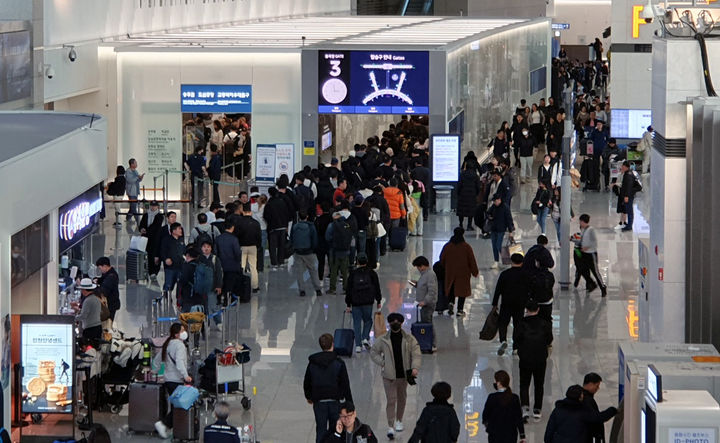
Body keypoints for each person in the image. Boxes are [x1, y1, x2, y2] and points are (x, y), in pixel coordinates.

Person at [370, 313, 422, 440]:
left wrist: (415, 367)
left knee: (402, 398)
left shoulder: (409, 339)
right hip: (389, 376)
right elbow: (373, 352)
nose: (395, 323)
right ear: (389, 323)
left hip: (403, 375)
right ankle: (390, 425)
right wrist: (383, 363)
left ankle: (399, 419)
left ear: (402, 323)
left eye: (397, 321)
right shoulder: (383, 339)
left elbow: (416, 353)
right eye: (392, 321)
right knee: (391, 400)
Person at [304, 333, 354, 443]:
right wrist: (349, 403)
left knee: (321, 430)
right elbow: (345, 384)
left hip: (319, 402)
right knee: (336, 430)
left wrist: (309, 396)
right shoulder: (339, 363)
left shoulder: (313, 363)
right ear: (333, 344)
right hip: (335, 402)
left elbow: (307, 382)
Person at [516, 300, 553, 423]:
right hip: (540, 358)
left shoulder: (521, 323)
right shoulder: (545, 323)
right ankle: (537, 409)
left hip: (525, 357)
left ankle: (525, 408)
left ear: (526, 310)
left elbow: (516, 339)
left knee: (524, 383)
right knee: (539, 384)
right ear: (538, 310)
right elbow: (549, 339)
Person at [154, 323, 191, 439]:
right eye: (182, 330)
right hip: (176, 380)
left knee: (175, 405)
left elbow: (156, 361)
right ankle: (163, 424)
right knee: (179, 406)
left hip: (167, 380)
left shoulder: (168, 344)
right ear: (177, 334)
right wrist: (186, 376)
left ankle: (166, 426)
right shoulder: (179, 346)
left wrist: (157, 372)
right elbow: (179, 362)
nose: (185, 332)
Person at [544, 385, 614, 443]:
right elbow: (599, 417)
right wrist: (612, 410)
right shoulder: (583, 412)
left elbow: (549, 432)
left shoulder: (557, 410)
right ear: (580, 397)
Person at [492, 253, 529, 356]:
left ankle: (503, 340)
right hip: (520, 304)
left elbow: (498, 290)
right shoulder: (525, 275)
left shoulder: (505, 274)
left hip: (506, 303)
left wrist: (495, 303)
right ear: (522, 262)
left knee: (503, 323)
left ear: (511, 262)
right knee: (518, 325)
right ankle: (516, 348)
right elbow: (529, 290)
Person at [345, 255, 382, 352]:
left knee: (356, 323)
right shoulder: (372, 273)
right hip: (368, 301)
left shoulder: (353, 274)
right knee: (368, 321)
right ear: (367, 261)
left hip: (355, 302)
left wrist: (348, 304)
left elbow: (348, 290)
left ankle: (358, 346)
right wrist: (378, 300)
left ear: (357, 262)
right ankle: (365, 337)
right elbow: (377, 287)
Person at [439, 227, 479, 317]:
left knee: (451, 288)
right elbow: (472, 260)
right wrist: (475, 272)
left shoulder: (447, 246)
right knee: (462, 291)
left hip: (450, 271)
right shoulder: (466, 247)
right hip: (463, 272)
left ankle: (451, 303)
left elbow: (442, 259)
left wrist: (446, 267)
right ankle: (460, 310)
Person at [482, 370, 526, 443]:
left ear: (498, 383)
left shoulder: (492, 397)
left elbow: (485, 416)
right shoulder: (514, 398)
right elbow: (518, 418)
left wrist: (489, 427)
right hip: (511, 435)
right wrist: (522, 435)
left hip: (494, 435)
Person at [291, 211, 324, 297]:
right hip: (308, 252)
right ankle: (317, 289)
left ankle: (302, 290)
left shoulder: (295, 227)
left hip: (298, 252)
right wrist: (313, 249)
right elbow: (314, 239)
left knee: (299, 272)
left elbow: (291, 238)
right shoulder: (311, 226)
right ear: (307, 216)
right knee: (313, 270)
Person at [573, 214, 607, 296]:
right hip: (584, 254)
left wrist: (587, 247)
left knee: (595, 271)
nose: (579, 223)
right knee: (584, 269)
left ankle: (602, 287)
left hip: (591, 254)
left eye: (580, 221)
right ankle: (590, 284)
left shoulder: (591, 230)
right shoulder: (583, 229)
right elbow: (581, 239)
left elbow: (594, 242)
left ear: (583, 221)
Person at [325, 202, 355, 295]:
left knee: (333, 270)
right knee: (345, 271)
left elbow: (327, 237)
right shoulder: (347, 225)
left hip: (335, 251)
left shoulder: (332, 225)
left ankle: (332, 289)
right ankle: (346, 288)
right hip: (345, 250)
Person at [410, 256, 438, 352]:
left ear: (422, 266)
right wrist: (416, 284)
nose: (418, 269)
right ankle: (427, 342)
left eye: (418, 267)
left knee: (428, 323)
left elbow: (432, 291)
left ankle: (432, 343)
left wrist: (425, 301)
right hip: (423, 304)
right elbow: (424, 286)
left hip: (427, 305)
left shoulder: (430, 275)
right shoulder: (425, 274)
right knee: (426, 322)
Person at [581, 373, 618, 443]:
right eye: (596, 386)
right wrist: (611, 411)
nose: (598, 389)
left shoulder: (584, 397)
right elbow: (596, 418)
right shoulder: (587, 400)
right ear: (590, 384)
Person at [235, 203, 262, 292]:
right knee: (253, 267)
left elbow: (236, 235)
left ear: (243, 211)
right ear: (250, 212)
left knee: (241, 266)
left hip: (242, 247)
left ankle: (240, 284)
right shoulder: (256, 223)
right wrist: (258, 246)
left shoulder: (239, 222)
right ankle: (255, 286)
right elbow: (259, 236)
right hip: (253, 247)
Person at [215, 221, 243, 303]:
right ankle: (228, 299)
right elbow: (237, 252)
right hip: (232, 265)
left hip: (221, 264)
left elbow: (215, 252)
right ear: (232, 228)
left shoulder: (218, 238)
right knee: (230, 283)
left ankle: (219, 298)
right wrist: (238, 261)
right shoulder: (234, 239)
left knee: (221, 281)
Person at [263, 187, 291, 268]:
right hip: (282, 227)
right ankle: (281, 261)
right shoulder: (282, 202)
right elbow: (287, 214)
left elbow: (266, 216)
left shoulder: (269, 204)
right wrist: (286, 225)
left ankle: (274, 263)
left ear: (270, 194)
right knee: (281, 245)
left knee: (272, 246)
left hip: (273, 228)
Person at [199, 241, 224, 330]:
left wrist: (219, 285)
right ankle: (206, 324)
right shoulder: (199, 259)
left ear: (211, 248)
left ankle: (219, 322)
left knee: (213, 306)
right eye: (204, 246)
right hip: (201, 288)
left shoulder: (215, 259)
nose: (206, 248)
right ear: (201, 248)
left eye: (208, 247)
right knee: (203, 307)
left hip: (212, 287)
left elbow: (219, 273)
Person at [486, 194, 515, 269]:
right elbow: (488, 212)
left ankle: (506, 259)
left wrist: (510, 231)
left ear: (499, 200)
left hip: (501, 229)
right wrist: (489, 216)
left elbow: (509, 219)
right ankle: (496, 261)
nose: (495, 202)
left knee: (498, 245)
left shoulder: (505, 208)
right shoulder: (493, 206)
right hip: (493, 229)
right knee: (494, 246)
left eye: (495, 201)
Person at [160, 222, 186, 300]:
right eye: (179, 229)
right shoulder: (166, 240)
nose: (181, 230)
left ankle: (179, 300)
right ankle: (166, 299)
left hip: (180, 266)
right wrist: (165, 259)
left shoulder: (181, 240)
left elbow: (184, 251)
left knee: (180, 284)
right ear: (174, 231)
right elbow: (162, 251)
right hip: (170, 267)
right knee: (168, 284)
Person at [139, 201, 164, 277]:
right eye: (152, 206)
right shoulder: (146, 215)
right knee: (147, 254)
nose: (153, 207)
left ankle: (154, 272)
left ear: (157, 207)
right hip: (146, 239)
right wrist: (142, 229)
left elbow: (156, 226)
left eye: (155, 206)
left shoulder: (159, 216)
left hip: (155, 238)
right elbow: (141, 224)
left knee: (155, 254)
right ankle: (148, 270)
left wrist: (146, 230)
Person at [94, 257, 120, 321]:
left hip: (110, 304)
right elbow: (103, 279)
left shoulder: (111, 277)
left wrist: (94, 290)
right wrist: (98, 280)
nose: (100, 270)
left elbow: (104, 291)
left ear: (105, 266)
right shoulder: (109, 274)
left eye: (100, 268)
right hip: (110, 303)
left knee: (108, 323)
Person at [456, 164, 481, 231]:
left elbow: (459, 184)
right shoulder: (476, 176)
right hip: (472, 195)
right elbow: (478, 186)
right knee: (471, 211)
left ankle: (461, 224)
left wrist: (458, 193)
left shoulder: (462, 174)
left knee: (461, 211)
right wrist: (477, 193)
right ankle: (469, 225)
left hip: (463, 194)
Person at [617, 161, 638, 232]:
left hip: (628, 196)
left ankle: (629, 226)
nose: (622, 167)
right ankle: (629, 225)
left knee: (629, 211)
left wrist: (626, 196)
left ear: (626, 167)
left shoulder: (628, 175)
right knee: (629, 210)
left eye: (623, 166)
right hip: (628, 195)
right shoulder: (627, 173)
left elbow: (628, 187)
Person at [124, 158, 145, 224]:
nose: (136, 164)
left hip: (135, 191)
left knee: (133, 206)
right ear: (132, 164)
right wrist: (137, 177)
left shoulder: (135, 171)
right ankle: (138, 221)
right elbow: (130, 180)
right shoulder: (128, 171)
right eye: (135, 163)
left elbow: (137, 180)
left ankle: (128, 218)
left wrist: (140, 178)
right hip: (131, 191)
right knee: (133, 206)